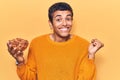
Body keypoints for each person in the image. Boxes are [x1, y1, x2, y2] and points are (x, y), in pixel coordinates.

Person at [7, 2, 104, 80]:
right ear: (50, 24)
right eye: (58, 19)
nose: (65, 23)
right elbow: (30, 78)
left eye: (68, 19)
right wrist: (20, 62)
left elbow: (85, 78)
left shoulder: (84, 45)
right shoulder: (37, 44)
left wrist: (91, 55)